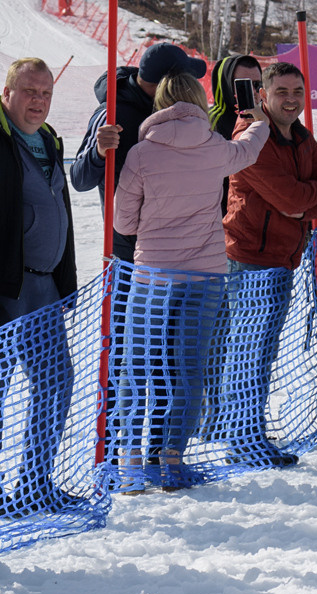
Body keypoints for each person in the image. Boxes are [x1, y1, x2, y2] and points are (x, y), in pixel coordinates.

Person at [111, 72, 268, 489]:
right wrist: (260, 120)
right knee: (188, 370)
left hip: (153, 275)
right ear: (199, 100)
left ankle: (128, 463)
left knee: (137, 369)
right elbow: (248, 150)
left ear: (160, 105)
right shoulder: (214, 146)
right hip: (205, 274)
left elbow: (122, 221)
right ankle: (172, 461)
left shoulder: (142, 153)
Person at [215, 61, 317, 468]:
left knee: (262, 353)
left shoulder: (302, 136)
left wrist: (304, 203)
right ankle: (239, 438)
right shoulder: (251, 136)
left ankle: (250, 433)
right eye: (282, 91)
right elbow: (292, 200)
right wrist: (304, 204)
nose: (291, 99)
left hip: (283, 258)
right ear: (263, 95)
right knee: (246, 354)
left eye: (297, 91)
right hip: (250, 259)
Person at [1, 57, 81, 507]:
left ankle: (33, 485)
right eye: (30, 91)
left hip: (44, 287)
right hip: (6, 288)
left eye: (47, 93)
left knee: (56, 382)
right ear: (8, 92)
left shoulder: (48, 139)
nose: (39, 101)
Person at [74, 43, 204, 263]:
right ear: (164, 83)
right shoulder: (112, 113)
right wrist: (99, 153)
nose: (189, 87)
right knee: (127, 299)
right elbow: (79, 179)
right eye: (184, 81)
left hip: (174, 242)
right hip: (128, 249)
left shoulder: (170, 112)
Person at [208, 54, 260, 143]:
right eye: (243, 85)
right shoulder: (208, 123)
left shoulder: (268, 118)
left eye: (256, 84)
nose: (253, 91)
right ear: (226, 86)